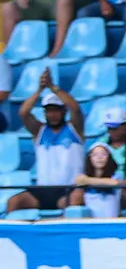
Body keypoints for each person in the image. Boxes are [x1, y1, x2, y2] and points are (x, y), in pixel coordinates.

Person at [8, 75, 86, 214]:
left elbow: (76, 109)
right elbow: (23, 112)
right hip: (43, 189)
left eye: (56, 110)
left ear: (63, 111)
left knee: (73, 201)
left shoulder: (74, 129)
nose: (52, 114)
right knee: (14, 201)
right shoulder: (40, 131)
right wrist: (39, 90)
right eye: (49, 110)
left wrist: (53, 88)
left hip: (69, 189)